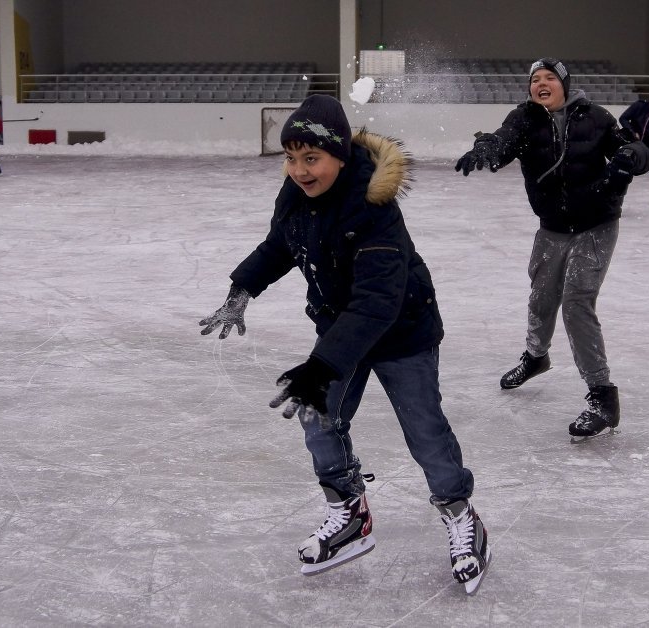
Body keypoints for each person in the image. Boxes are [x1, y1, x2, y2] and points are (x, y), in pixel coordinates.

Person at [199, 94, 491, 594]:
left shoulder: (374, 207)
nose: (299, 170)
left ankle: (461, 514)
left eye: (310, 158)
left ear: (340, 155)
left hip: (402, 332)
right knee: (320, 417)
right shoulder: (294, 196)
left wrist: (320, 366)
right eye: (291, 158)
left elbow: (377, 303)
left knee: (425, 432)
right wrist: (241, 290)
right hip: (339, 326)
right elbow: (279, 245)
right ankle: (349, 511)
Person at [454, 58, 649, 440]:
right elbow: (503, 141)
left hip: (596, 223)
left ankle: (602, 397)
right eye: (534, 80)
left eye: (548, 78)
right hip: (552, 227)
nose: (540, 84)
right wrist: (487, 147)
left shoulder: (595, 117)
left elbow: (636, 150)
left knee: (577, 301)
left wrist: (632, 158)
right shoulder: (525, 119)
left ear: (564, 84)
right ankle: (536, 356)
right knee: (542, 298)